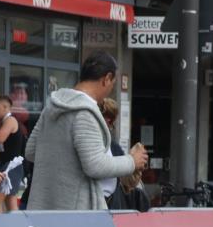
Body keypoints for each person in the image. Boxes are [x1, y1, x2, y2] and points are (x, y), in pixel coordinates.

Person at [26, 52, 148, 211]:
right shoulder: (84, 112)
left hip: (47, 208)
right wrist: (132, 161)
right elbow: (95, 165)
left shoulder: (52, 106)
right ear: (106, 78)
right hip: (77, 215)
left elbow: (30, 151)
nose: (111, 89)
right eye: (113, 83)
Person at [99, 98, 149, 212]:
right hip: (95, 207)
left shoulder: (114, 147)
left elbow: (128, 182)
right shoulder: (88, 143)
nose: (111, 127)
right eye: (111, 122)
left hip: (111, 206)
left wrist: (135, 164)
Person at [0, 95, 26, 211]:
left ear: (5, 107)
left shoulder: (10, 120)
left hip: (10, 167)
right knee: (10, 202)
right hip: (11, 166)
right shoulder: (5, 122)